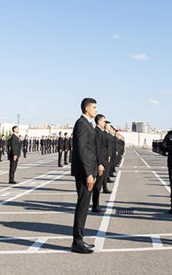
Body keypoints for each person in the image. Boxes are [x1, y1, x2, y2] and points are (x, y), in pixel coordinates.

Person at [71, 97, 99, 254]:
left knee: (84, 206)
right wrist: (89, 173)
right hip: (84, 173)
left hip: (88, 171)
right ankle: (77, 242)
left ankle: (80, 239)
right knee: (82, 206)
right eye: (94, 107)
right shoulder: (81, 124)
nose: (95, 110)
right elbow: (82, 151)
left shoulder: (88, 124)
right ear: (86, 108)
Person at [92, 114, 110, 212]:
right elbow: (98, 149)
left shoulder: (100, 132)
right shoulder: (98, 132)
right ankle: (95, 205)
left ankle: (96, 204)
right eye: (103, 121)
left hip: (102, 160)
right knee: (97, 185)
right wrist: (100, 163)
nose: (104, 123)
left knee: (98, 185)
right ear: (99, 121)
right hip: (100, 161)